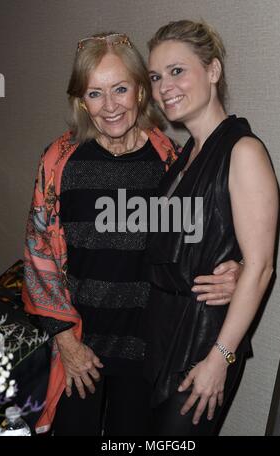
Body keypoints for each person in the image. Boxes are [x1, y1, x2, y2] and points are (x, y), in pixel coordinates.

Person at [22, 31, 242, 436]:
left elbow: (198, 242)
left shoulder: (169, 161)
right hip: (79, 349)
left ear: (140, 91)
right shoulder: (59, 160)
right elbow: (40, 258)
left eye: (120, 89)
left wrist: (234, 274)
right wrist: (68, 344)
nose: (109, 107)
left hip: (146, 348)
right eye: (94, 93)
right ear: (80, 101)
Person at [142, 20, 279, 436]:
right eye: (155, 76)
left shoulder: (243, 150)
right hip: (163, 334)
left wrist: (221, 358)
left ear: (213, 71)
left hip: (204, 343)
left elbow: (261, 267)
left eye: (177, 70)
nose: (164, 86)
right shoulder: (184, 156)